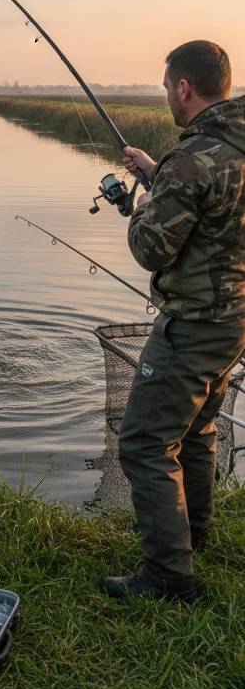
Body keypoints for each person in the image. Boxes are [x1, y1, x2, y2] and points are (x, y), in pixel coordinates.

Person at [103, 40, 245, 602]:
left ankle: (167, 578)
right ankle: (194, 537)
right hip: (236, 323)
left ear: (183, 88)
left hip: (192, 326)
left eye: (166, 87)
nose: (166, 96)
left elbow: (152, 249)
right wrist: (157, 170)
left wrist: (140, 209)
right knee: (197, 432)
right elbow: (218, 197)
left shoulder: (193, 159)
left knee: (142, 443)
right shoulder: (230, 146)